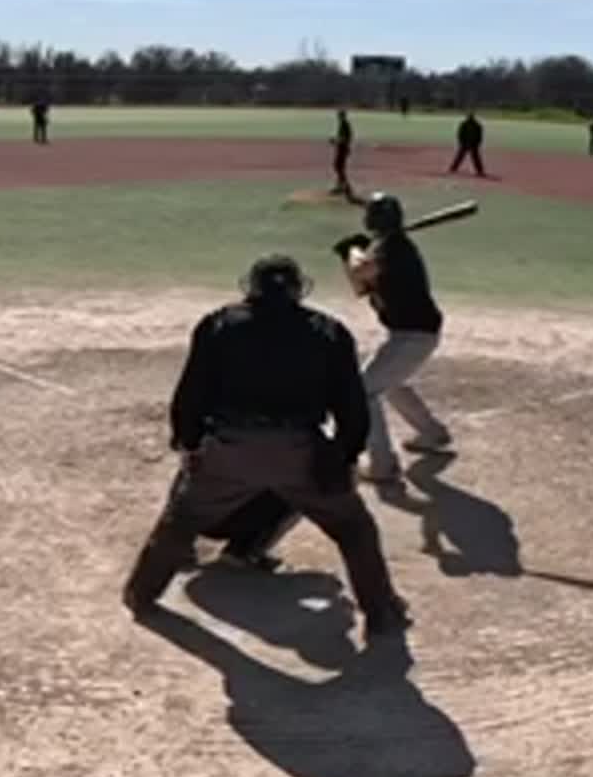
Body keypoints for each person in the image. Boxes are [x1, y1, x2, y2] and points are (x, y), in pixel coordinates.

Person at [121, 254, 411, 639]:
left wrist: (190, 443)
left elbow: (191, 393)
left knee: (181, 520)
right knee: (353, 528)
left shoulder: (219, 324)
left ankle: (141, 595)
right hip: (299, 448)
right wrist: (343, 456)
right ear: (298, 290)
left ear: (251, 288)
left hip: (229, 445)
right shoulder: (329, 331)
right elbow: (352, 408)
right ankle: (381, 614)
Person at [340, 193, 452, 483]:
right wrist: (354, 253)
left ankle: (382, 464)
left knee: (364, 392)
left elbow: (361, 269)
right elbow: (361, 287)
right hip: (411, 333)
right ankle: (431, 433)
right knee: (390, 382)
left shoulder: (393, 248)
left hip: (413, 335)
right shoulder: (388, 247)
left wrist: (353, 249)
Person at [449, 111, 486, 176]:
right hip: (467, 143)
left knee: (471, 157)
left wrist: (476, 143)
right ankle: (453, 168)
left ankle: (479, 171)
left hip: (471, 144)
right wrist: (462, 142)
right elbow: (460, 134)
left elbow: (479, 136)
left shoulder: (475, 125)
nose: (470, 118)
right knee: (461, 157)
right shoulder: (473, 125)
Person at [330, 109, 354, 197]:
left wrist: (335, 141)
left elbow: (345, 138)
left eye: (339, 115)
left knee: (338, 166)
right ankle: (341, 185)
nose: (338, 117)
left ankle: (344, 186)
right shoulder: (343, 124)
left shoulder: (345, 125)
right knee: (338, 167)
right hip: (342, 148)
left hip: (342, 148)